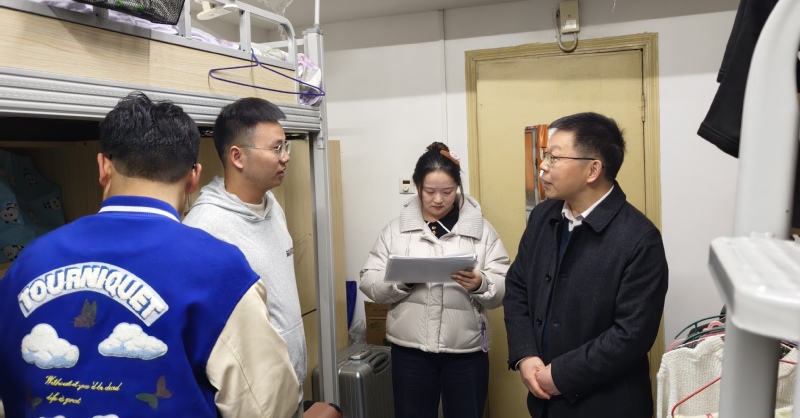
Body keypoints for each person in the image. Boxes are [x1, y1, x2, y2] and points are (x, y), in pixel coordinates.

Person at [0, 92, 298, 418]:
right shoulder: (220, 271)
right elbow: (269, 407)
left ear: (103, 167)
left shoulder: (26, 265)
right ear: (194, 178)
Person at [503, 112, 669, 418]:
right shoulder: (543, 217)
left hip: (608, 406)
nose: (543, 166)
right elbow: (516, 287)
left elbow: (631, 335)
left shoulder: (639, 239)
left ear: (593, 169)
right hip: (544, 403)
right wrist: (525, 355)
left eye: (554, 157)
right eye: (545, 155)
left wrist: (561, 375)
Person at [360, 142, 510, 418]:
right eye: (430, 191)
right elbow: (368, 280)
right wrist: (401, 282)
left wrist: (481, 283)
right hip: (410, 350)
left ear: (458, 188)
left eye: (447, 191)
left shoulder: (482, 231)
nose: (438, 199)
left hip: (466, 350)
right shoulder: (396, 230)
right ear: (418, 187)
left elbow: (505, 285)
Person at [183, 97, 307, 417]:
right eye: (276, 148)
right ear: (237, 156)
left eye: (286, 147)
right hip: (253, 402)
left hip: (288, 387)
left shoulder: (272, 205)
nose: (286, 157)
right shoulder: (205, 228)